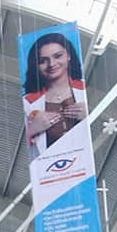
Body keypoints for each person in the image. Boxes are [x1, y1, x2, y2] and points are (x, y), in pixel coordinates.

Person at [21, 32, 87, 160]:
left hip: (83, 166)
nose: (52, 64)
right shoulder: (27, 102)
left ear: (68, 56)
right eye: (43, 61)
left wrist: (90, 115)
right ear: (36, 65)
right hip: (50, 173)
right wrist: (31, 129)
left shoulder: (85, 89)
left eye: (58, 56)